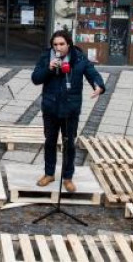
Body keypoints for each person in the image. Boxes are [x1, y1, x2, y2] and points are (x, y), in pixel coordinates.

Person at [31, 30, 105, 192]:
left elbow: (91, 73)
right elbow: (36, 78)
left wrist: (98, 85)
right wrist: (48, 69)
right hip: (50, 108)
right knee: (50, 141)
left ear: (69, 44)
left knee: (69, 144)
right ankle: (49, 173)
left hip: (70, 108)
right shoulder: (46, 57)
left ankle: (68, 177)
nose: (58, 47)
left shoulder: (78, 58)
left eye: (61, 44)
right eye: (55, 44)